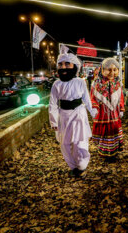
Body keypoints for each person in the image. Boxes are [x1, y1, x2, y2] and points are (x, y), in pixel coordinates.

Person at [49, 45, 97, 177]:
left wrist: (93, 113)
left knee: (79, 141)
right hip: (63, 116)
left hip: (78, 114)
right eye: (61, 65)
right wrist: (53, 121)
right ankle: (72, 165)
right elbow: (52, 104)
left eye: (67, 64)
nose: (63, 67)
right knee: (65, 143)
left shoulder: (80, 82)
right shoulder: (56, 84)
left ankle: (81, 166)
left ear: (74, 66)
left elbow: (87, 99)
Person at [90, 58, 125, 160]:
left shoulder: (118, 83)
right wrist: (95, 107)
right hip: (103, 112)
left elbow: (121, 97)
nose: (112, 73)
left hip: (114, 112)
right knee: (105, 131)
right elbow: (93, 97)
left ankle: (114, 151)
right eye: (109, 70)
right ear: (102, 70)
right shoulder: (97, 83)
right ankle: (104, 152)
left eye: (115, 70)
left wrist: (121, 108)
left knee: (114, 130)